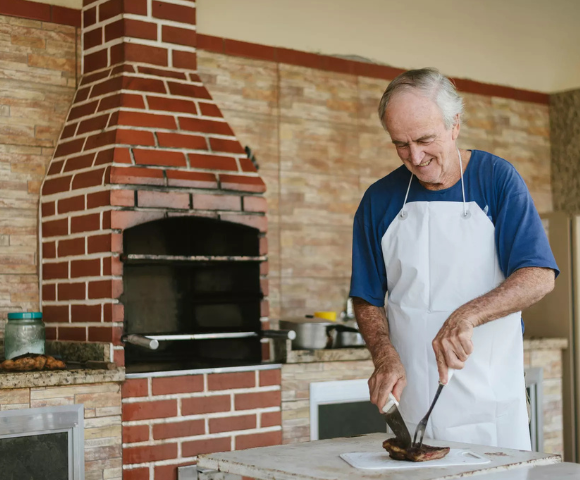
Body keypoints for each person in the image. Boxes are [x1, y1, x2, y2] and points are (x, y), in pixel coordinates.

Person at [350, 68, 558, 450]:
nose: (415, 156)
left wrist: (467, 315)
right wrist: (383, 355)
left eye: (425, 139)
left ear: (454, 125)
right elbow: (367, 296)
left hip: (492, 410)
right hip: (413, 410)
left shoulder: (497, 180)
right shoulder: (378, 200)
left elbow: (539, 274)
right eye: (400, 144)